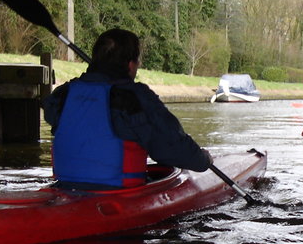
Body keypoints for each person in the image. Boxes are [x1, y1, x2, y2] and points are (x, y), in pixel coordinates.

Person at [43, 28, 212, 190]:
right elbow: (172, 149)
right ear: (131, 65)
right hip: (117, 192)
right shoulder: (134, 98)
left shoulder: (62, 95)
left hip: (65, 188)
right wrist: (204, 160)